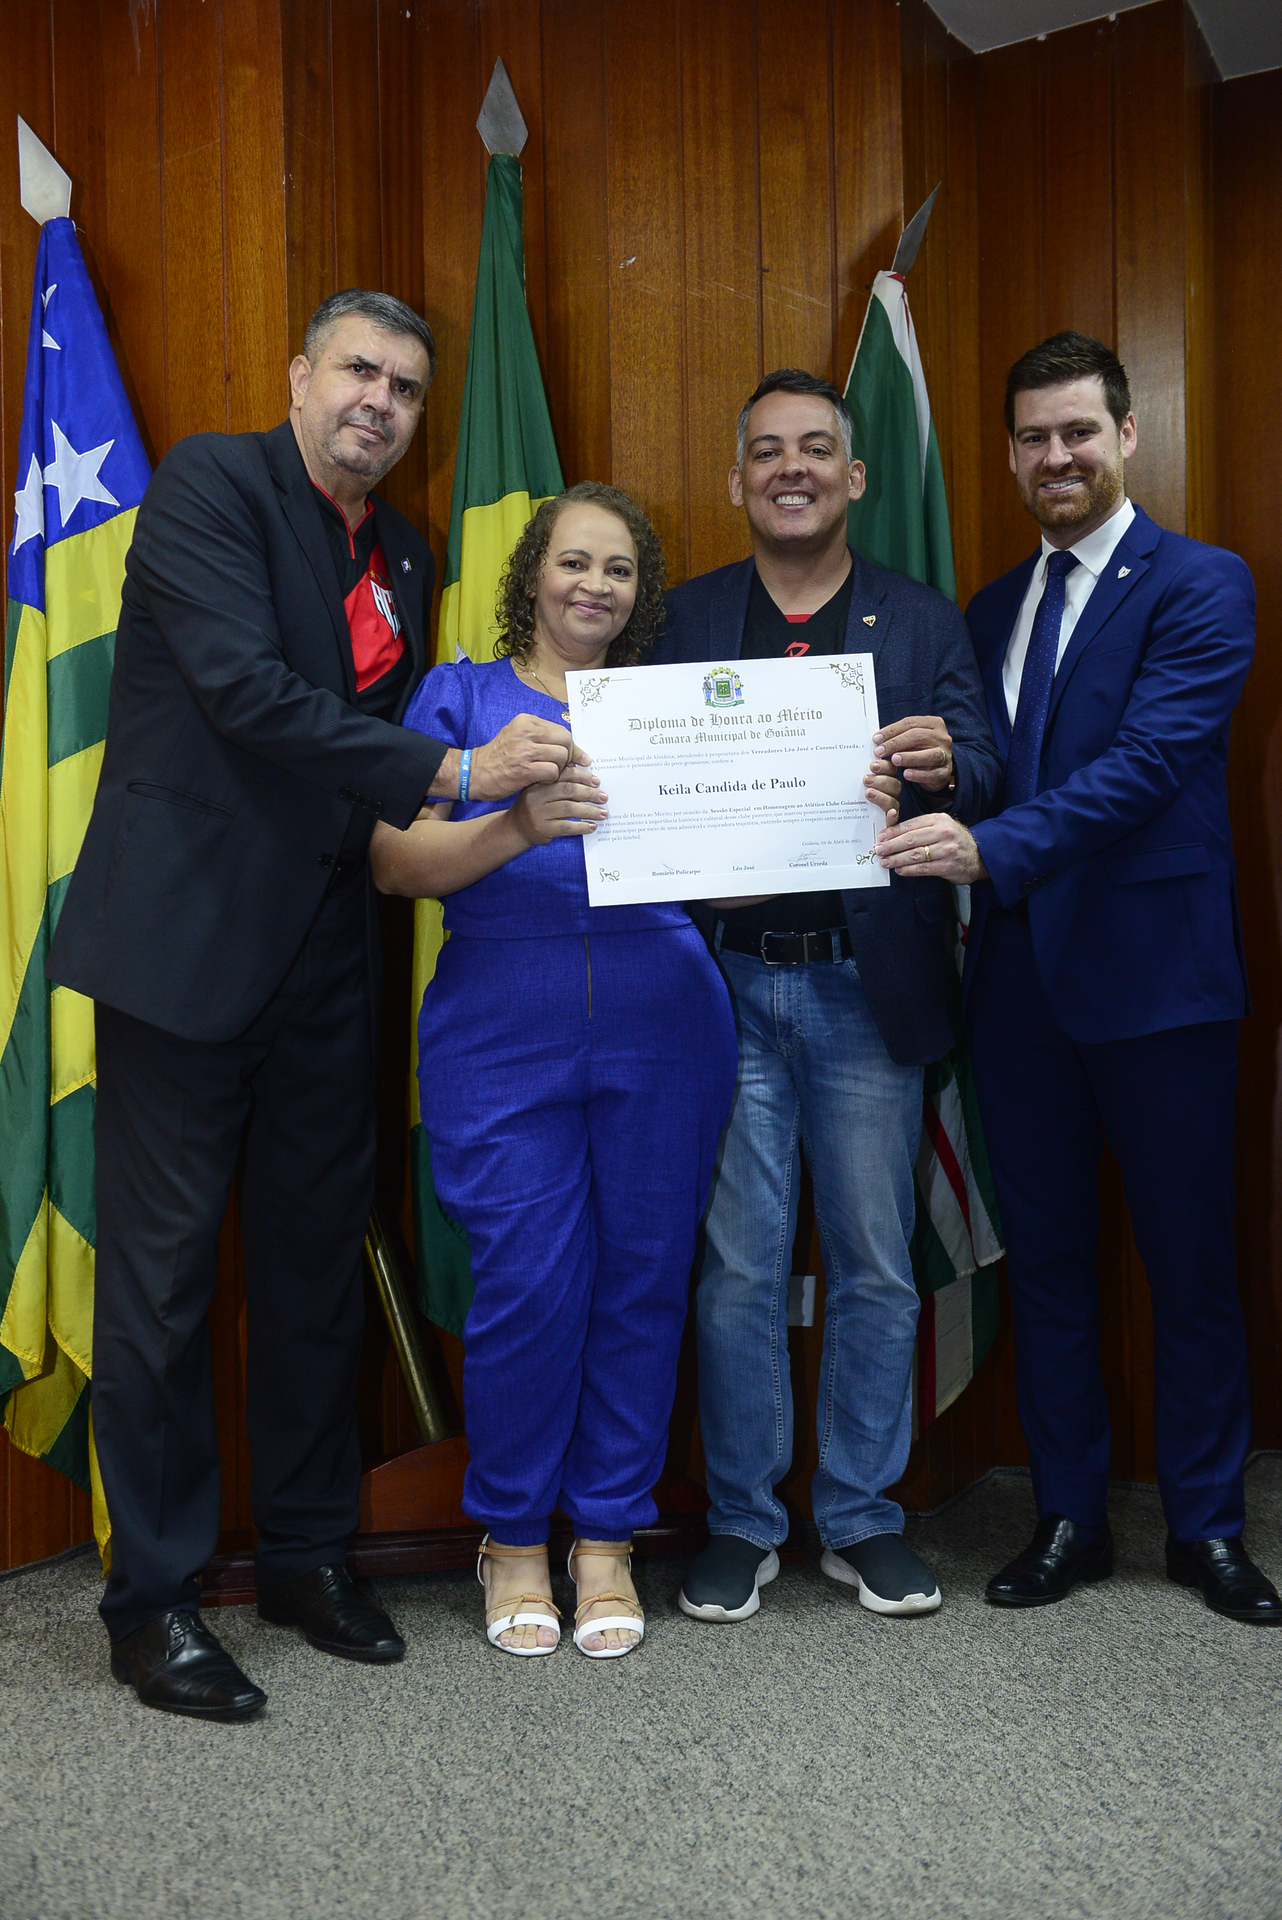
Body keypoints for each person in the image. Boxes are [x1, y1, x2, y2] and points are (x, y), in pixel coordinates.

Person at [48, 289, 592, 1720]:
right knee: (162, 1289)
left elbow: (361, 741)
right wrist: (461, 774)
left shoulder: (401, 551)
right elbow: (245, 695)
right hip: (184, 952)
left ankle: (304, 1556)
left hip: (331, 957)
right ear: (300, 376)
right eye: (359, 370)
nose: (379, 402)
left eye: (405, 389)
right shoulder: (209, 487)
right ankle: (153, 1603)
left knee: (311, 1274)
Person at [876, 332, 1280, 1624]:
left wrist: (985, 847)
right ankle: (1067, 1517)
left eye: (1078, 433)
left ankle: (1206, 1527)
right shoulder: (990, 609)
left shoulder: (1201, 583)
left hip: (1161, 989)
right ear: (1007, 456)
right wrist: (924, 773)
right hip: (1017, 990)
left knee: (1188, 1265)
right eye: (1033, 438)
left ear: (1125, 438)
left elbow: (1150, 763)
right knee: (1047, 1262)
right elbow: (988, 770)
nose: (1056, 456)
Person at [653, 368, 1002, 1624]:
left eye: (813, 448)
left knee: (872, 1263)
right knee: (737, 1269)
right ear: (737, 480)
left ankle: (859, 1515)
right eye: (766, 451)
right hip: (726, 989)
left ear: (853, 476)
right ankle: (743, 1521)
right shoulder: (685, 618)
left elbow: (991, 765)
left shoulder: (920, 619)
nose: (789, 468)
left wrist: (949, 762)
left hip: (868, 989)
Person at [371, 481, 737, 1660]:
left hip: (664, 1013)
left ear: (641, 595)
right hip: (497, 1022)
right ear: (533, 571)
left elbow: (741, 848)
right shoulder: (460, 697)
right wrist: (517, 823)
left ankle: (609, 1537)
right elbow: (394, 864)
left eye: (618, 569)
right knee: (529, 1281)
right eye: (574, 561)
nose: (593, 585)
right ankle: (516, 1535)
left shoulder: (669, 707)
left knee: (642, 1278)